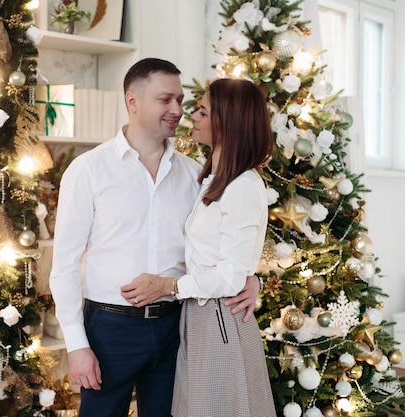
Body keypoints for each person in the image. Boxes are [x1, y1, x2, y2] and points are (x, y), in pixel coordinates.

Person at [48, 58, 261, 417]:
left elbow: (219, 244)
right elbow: (65, 264)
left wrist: (251, 277)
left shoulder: (196, 176)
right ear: (133, 101)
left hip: (176, 327)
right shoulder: (89, 170)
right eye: (166, 100)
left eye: (181, 100)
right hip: (109, 329)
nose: (178, 110)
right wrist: (76, 345)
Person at [122, 78, 275, 416]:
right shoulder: (210, 179)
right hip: (200, 315)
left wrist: (168, 285)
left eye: (203, 111)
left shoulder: (242, 187)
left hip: (220, 318)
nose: (191, 115)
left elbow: (231, 276)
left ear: (227, 122)